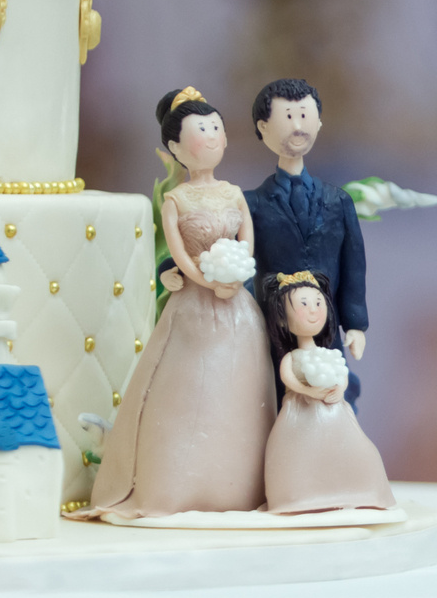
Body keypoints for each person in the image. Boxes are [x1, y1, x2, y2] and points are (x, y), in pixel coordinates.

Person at [73, 88, 274, 520]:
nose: (214, 136)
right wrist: (206, 279)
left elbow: (247, 240)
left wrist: (237, 274)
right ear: (177, 148)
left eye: (217, 128)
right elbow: (181, 253)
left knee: (240, 390)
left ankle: (238, 484)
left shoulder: (235, 192)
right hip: (194, 306)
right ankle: (179, 482)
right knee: (190, 390)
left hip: (238, 306)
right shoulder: (175, 200)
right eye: (202, 130)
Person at [242, 77, 369, 405]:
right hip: (273, 329)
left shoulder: (338, 201)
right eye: (287, 118)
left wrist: (355, 324)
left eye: (305, 116)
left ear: (319, 123)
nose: (297, 126)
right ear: (263, 127)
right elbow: (242, 264)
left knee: (333, 394)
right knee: (274, 399)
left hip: (324, 325)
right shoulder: (252, 204)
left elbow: (353, 268)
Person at [262, 270, 396, 516]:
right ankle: (302, 495)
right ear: (282, 319)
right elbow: (289, 379)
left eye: (318, 302)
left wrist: (340, 389)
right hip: (301, 415)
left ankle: (358, 490)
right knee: (301, 455)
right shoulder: (292, 357)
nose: (313, 310)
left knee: (356, 450)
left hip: (335, 412)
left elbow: (342, 375)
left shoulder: (328, 353)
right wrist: (308, 391)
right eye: (304, 304)